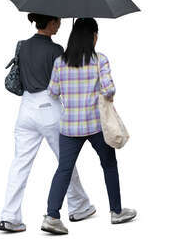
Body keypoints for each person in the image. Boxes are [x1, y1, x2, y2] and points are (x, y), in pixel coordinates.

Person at [0, 13, 95, 233]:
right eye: (58, 22)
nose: (60, 25)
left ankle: (9, 217)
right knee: (65, 161)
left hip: (25, 109)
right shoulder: (56, 51)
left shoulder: (22, 46)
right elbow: (63, 84)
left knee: (20, 164)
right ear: (51, 23)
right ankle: (79, 206)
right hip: (50, 109)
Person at [41, 18, 136, 235]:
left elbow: (53, 92)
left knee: (63, 170)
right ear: (93, 36)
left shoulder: (59, 62)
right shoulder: (99, 60)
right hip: (95, 125)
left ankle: (52, 216)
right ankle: (116, 212)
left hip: (69, 127)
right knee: (109, 165)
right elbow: (109, 90)